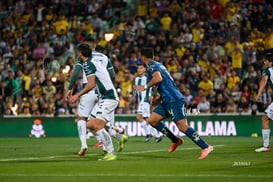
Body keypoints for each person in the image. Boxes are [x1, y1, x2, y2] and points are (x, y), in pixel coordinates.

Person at [134, 47, 213, 160]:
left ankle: (205, 146)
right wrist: (158, 99)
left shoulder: (151, 66)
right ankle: (176, 140)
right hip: (166, 99)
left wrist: (144, 87)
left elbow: (158, 78)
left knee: (182, 126)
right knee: (153, 120)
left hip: (173, 99)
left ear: (143, 57)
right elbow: (166, 84)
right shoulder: (159, 65)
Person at [66, 38, 126, 156]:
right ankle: (117, 136)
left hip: (107, 97)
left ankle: (110, 151)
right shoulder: (101, 58)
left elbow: (91, 84)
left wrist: (75, 94)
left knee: (92, 123)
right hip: (102, 96)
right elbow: (112, 75)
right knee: (90, 125)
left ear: (80, 53)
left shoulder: (88, 63)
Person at [134, 64, 162, 143]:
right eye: (138, 68)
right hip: (140, 101)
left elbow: (156, 85)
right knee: (141, 117)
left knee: (143, 117)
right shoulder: (136, 79)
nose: (139, 70)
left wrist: (153, 95)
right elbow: (136, 90)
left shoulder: (148, 77)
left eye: (141, 68)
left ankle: (156, 135)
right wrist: (132, 93)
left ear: (144, 69)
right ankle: (151, 134)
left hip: (146, 100)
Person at [254, 53, 273, 152]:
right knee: (265, 118)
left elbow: (264, 80)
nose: (264, 62)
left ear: (270, 62)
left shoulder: (267, 70)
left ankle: (266, 147)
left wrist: (258, 94)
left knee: (265, 118)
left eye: (266, 60)